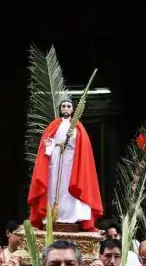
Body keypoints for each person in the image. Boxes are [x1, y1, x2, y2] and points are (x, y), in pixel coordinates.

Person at [27, 98, 103, 231]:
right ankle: (51, 216)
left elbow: (82, 145)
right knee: (53, 185)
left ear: (73, 109)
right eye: (63, 106)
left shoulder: (77, 127)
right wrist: (50, 144)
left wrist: (73, 135)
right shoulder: (53, 125)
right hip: (55, 159)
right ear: (60, 109)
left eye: (68, 106)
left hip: (71, 160)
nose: (66, 108)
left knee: (68, 187)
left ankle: (71, 217)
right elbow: (47, 141)